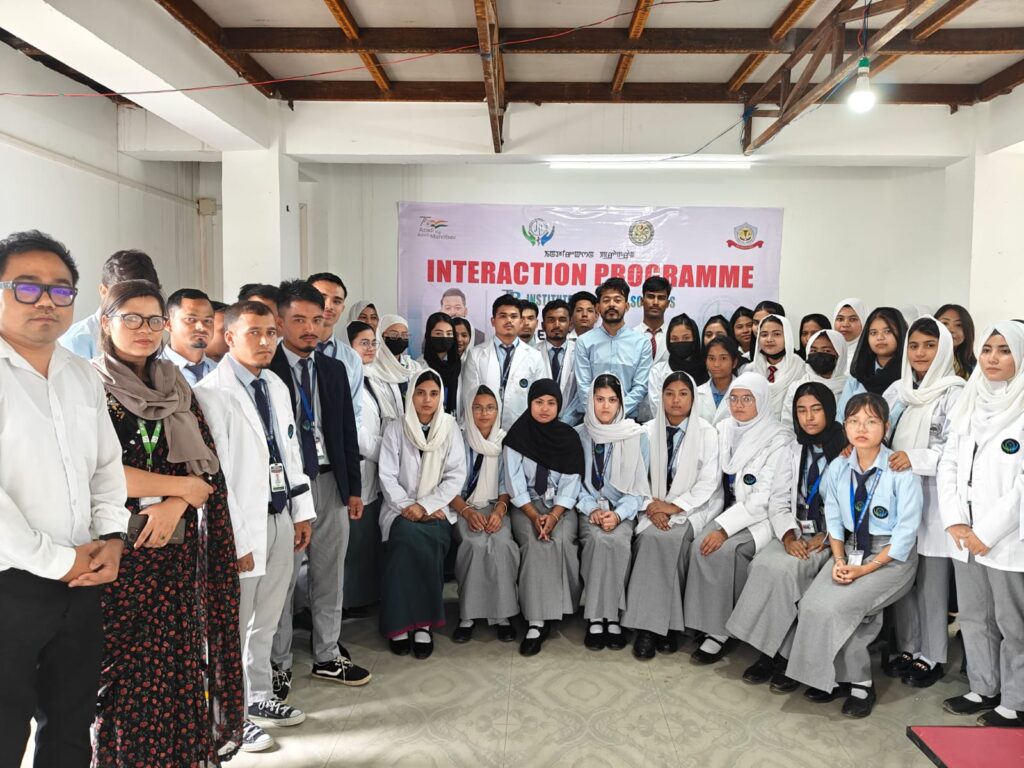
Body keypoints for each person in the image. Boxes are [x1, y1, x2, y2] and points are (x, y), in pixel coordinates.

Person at [90, 279, 244, 765]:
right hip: (119, 557)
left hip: (177, 556)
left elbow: (206, 467)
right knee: (122, 680)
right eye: (131, 318)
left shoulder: (175, 386)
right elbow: (94, 470)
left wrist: (177, 502)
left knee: (177, 669)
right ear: (106, 322)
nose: (144, 329)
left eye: (154, 319)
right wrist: (180, 489)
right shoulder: (89, 385)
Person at [0, 231, 128, 768]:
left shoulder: (80, 374)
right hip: (10, 587)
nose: (46, 301)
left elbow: (105, 467)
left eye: (60, 289)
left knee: (72, 727)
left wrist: (113, 538)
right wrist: (58, 560)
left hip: (82, 583)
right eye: (26, 287)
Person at [194, 300, 316, 752]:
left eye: (270, 333)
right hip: (241, 525)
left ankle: (260, 697)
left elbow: (290, 453)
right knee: (231, 625)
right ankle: (229, 717)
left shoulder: (276, 385)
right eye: (253, 333)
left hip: (280, 516)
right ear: (229, 337)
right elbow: (219, 476)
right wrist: (237, 539)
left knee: (267, 618)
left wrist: (301, 512)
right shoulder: (210, 393)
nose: (265, 342)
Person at [784, 393, 922, 718]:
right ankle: (825, 675)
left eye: (871, 421)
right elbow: (833, 519)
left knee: (845, 606)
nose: (861, 428)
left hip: (891, 558)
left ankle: (861, 683)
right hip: (850, 550)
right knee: (812, 603)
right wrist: (840, 560)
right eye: (854, 421)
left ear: (885, 427)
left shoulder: (899, 470)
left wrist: (863, 570)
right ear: (844, 426)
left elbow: (905, 534)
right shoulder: (839, 466)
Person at [268, 281, 370, 697]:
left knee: (330, 573)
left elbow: (346, 432)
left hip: (329, 481)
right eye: (298, 320)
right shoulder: (266, 368)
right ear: (280, 323)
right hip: (287, 487)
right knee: (283, 579)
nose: (310, 328)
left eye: (316, 319)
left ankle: (327, 653)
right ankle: (277, 663)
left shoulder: (332, 369)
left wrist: (353, 489)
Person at [726, 383, 848, 690]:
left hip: (831, 537)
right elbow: (779, 500)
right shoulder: (793, 448)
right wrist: (789, 536)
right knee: (764, 565)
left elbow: (853, 505)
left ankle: (785, 656)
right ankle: (769, 651)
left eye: (816, 409)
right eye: (802, 410)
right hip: (795, 531)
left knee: (788, 572)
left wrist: (828, 536)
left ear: (829, 411)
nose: (809, 417)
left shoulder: (847, 449)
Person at [938, 322, 1024, 727]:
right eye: (987, 349)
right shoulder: (970, 402)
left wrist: (986, 533)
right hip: (964, 534)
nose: (992, 358)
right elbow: (949, 464)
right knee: (974, 615)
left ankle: (1016, 701)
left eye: (1004, 350)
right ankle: (984, 687)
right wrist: (956, 521)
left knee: (1012, 622)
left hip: (1006, 539)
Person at [685, 373, 793, 664]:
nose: (738, 405)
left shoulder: (779, 438)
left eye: (747, 399)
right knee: (697, 545)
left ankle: (720, 632)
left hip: (759, 516)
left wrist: (723, 529)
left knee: (725, 550)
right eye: (733, 398)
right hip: (724, 508)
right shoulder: (723, 429)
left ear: (762, 401)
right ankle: (706, 621)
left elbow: (765, 496)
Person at [887, 318, 964, 688]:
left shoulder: (956, 393)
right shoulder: (898, 391)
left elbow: (955, 449)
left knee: (932, 583)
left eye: (930, 345)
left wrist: (914, 458)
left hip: (934, 498)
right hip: (898, 495)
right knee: (904, 577)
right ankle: (908, 646)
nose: (920, 353)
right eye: (914, 345)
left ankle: (932, 655)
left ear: (944, 349)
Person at [625, 371, 723, 660]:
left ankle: (660, 625)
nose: (676, 400)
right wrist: (650, 505)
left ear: (693, 398)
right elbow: (634, 476)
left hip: (693, 507)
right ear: (661, 397)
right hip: (652, 505)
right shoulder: (645, 431)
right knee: (651, 540)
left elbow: (709, 481)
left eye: (683, 394)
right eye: (669, 394)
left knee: (673, 541)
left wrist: (675, 506)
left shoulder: (707, 433)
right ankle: (654, 628)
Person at [377, 370, 467, 659]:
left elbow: (455, 476)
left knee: (428, 545)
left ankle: (423, 625)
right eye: (421, 393)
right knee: (404, 541)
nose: (427, 400)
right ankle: (399, 625)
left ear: (441, 397)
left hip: (437, 510)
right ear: (411, 395)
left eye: (433, 393)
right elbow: (387, 476)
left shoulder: (450, 427)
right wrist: (409, 506)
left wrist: (426, 506)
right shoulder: (396, 428)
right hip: (400, 510)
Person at [503, 379, 585, 657]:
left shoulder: (569, 437)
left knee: (561, 540)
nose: (545, 408)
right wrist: (533, 514)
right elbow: (513, 480)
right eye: (539, 402)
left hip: (560, 506)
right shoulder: (517, 436)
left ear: (559, 406)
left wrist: (554, 515)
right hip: (526, 504)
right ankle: (537, 621)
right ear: (530, 404)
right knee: (536, 543)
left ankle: (560, 606)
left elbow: (572, 482)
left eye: (551, 403)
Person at [576, 373, 649, 650]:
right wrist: (591, 509)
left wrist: (618, 514)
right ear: (590, 400)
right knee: (597, 541)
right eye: (599, 399)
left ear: (621, 403)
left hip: (622, 510)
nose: (605, 406)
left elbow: (639, 488)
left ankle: (613, 615)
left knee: (617, 541)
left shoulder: (636, 436)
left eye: (612, 400)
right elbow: (573, 483)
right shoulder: (579, 435)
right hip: (588, 508)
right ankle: (596, 616)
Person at [450, 386, 519, 643]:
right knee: (474, 544)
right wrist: (467, 512)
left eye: (490, 408)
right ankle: (468, 616)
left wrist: (499, 512)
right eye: (477, 408)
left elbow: (507, 485)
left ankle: (501, 616)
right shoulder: (458, 439)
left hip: (495, 506)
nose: (484, 413)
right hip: (462, 506)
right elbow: (447, 485)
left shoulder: (505, 441)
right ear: (469, 411)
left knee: (501, 544)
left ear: (498, 411)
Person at [343, 321, 386, 612]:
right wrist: (389, 451)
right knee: (354, 541)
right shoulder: (347, 380)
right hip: (363, 463)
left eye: (373, 342)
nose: (370, 348)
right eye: (363, 343)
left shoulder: (373, 377)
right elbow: (355, 432)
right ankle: (351, 601)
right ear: (349, 347)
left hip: (375, 468)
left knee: (368, 538)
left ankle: (364, 598)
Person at [462, 295, 546, 430]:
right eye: (503, 316)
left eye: (514, 316)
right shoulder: (476, 354)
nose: (509, 320)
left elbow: (540, 398)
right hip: (483, 430)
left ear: (520, 321)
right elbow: (469, 396)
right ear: (493, 321)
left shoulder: (535, 357)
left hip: (522, 430)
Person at [60, 248, 160, 359]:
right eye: (126, 297)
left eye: (148, 295)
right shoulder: (75, 342)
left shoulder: (155, 334)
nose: (145, 329)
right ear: (104, 292)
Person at [574, 278, 653, 420]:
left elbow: (640, 388)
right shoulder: (584, 342)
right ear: (598, 307)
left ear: (627, 306)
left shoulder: (642, 343)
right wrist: (598, 414)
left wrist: (617, 413)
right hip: (592, 420)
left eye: (617, 300)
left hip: (627, 420)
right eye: (606, 300)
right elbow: (583, 386)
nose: (611, 304)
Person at [308, 272, 365, 423]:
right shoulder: (286, 350)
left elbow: (355, 413)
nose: (329, 306)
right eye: (322, 297)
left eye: (337, 301)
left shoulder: (351, 358)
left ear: (342, 308)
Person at [837, 307, 908, 414]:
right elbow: (841, 416)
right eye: (873, 333)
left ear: (900, 333)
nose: (880, 337)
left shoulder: (909, 373)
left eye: (887, 331)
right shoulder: (859, 374)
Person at [644, 314, 708, 422]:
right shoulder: (658, 371)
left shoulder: (708, 369)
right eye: (674, 339)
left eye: (686, 338)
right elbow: (657, 409)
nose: (680, 342)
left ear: (695, 338)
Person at [743, 314, 808, 420]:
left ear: (787, 337)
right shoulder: (749, 370)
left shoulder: (800, 368)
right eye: (764, 335)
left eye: (776, 334)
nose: (769, 339)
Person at [781, 329, 849, 428]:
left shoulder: (850, 386)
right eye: (813, 351)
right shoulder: (797, 387)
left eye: (826, 351)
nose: (818, 355)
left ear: (840, 354)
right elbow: (788, 424)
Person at [369, 313, 423, 421]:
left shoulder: (414, 367)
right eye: (393, 335)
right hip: (382, 427)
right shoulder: (372, 368)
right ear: (381, 336)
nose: (400, 338)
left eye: (404, 335)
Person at [161, 287, 217, 385]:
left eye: (207, 321)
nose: (201, 327)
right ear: (168, 324)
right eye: (191, 319)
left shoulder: (221, 371)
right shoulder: (152, 372)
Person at [537, 299, 579, 424]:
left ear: (570, 324)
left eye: (562, 320)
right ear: (543, 325)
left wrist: (567, 421)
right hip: (539, 421)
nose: (556, 325)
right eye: (551, 320)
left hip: (572, 423)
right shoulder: (531, 354)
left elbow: (581, 393)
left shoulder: (580, 352)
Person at [420, 311, 461, 415]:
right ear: (429, 335)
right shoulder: (419, 366)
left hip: (455, 420)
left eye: (449, 333)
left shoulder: (459, 365)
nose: (444, 337)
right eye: (438, 333)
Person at [697, 335, 742, 423]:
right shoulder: (697, 393)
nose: (716, 364)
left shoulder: (745, 392)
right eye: (711, 358)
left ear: (734, 362)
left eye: (723, 358)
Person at [935, 303, 977, 379]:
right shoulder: (924, 360)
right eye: (944, 323)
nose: (951, 330)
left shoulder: (975, 368)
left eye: (959, 325)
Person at [637, 275, 671, 365]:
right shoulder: (630, 336)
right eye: (651, 297)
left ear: (667, 303)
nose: (655, 302)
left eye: (661, 298)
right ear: (642, 301)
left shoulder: (673, 336)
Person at [833, 298, 867, 371]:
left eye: (852, 319)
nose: (845, 325)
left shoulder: (871, 356)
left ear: (864, 322)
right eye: (840, 319)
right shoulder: (826, 351)